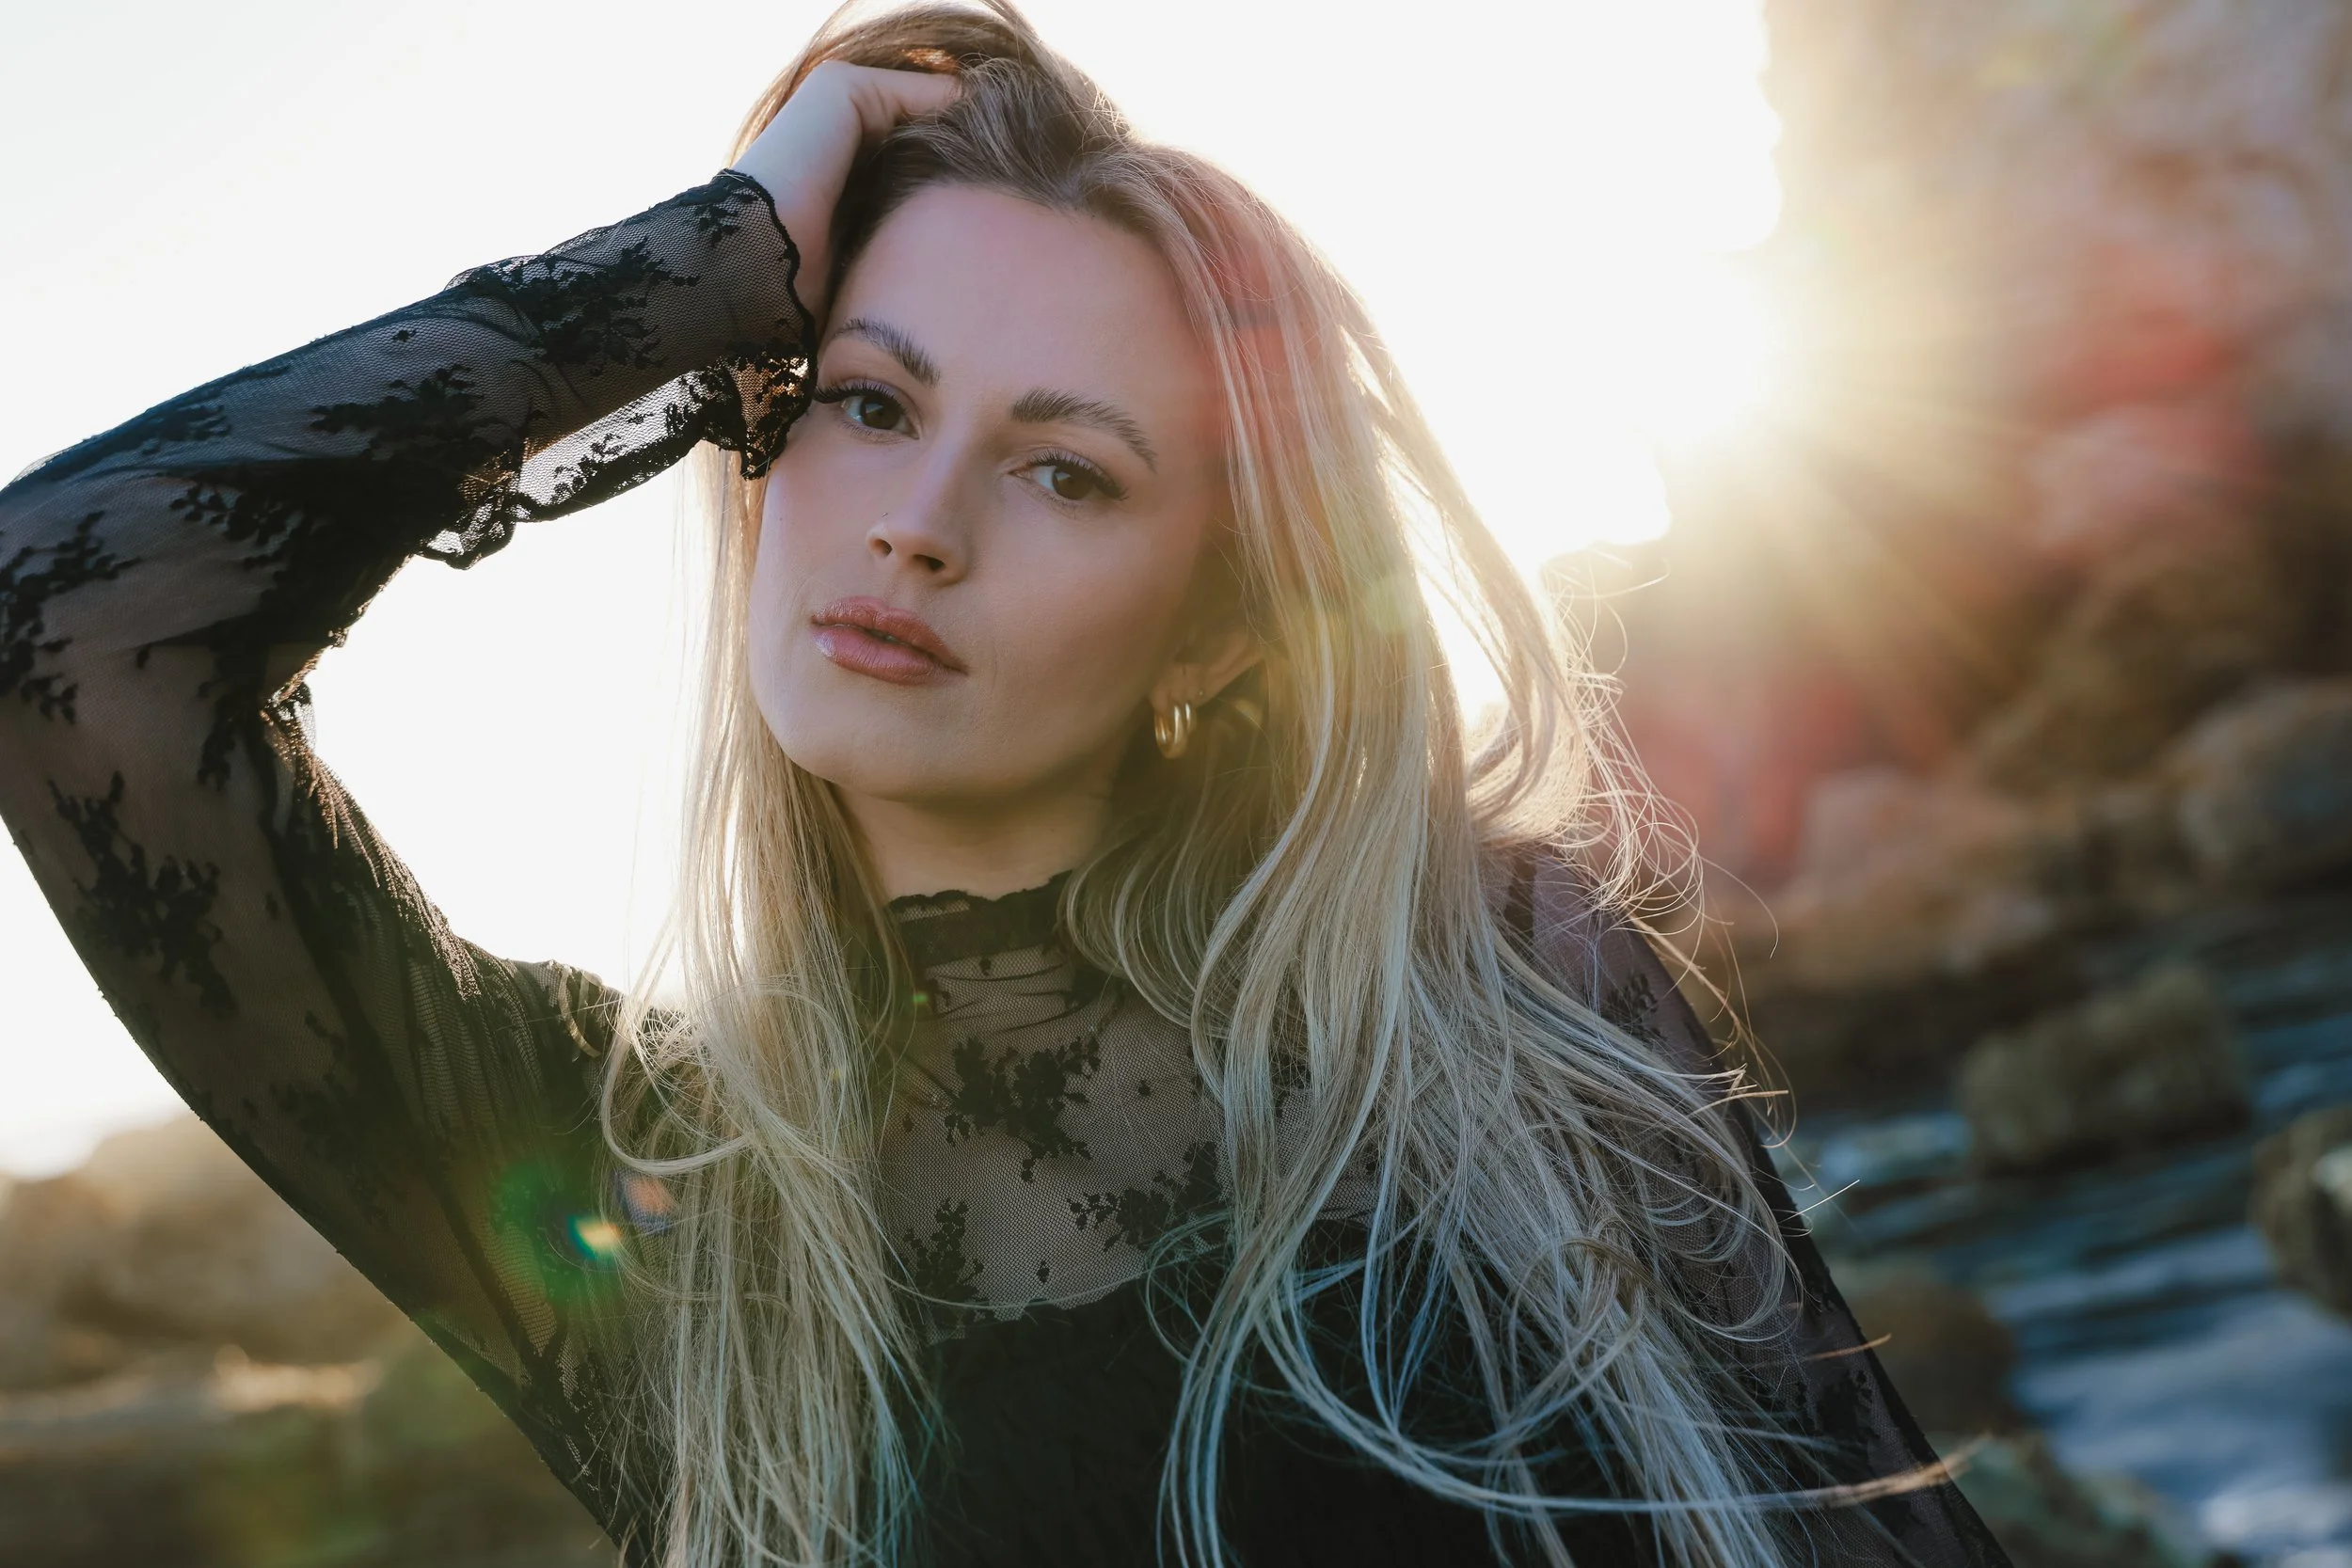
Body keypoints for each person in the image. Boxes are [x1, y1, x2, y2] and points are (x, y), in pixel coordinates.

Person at [0, 4, 2013, 1565]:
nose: (917, 525)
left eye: (1068, 468)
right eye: (865, 402)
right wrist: (709, 263)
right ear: (756, 426)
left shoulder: (1497, 1015)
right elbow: (65, 626)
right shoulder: (644, 1205)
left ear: (1224, 622)